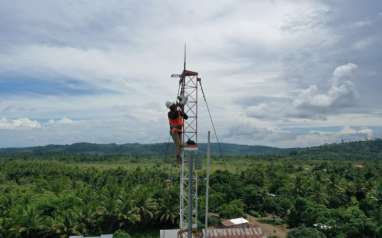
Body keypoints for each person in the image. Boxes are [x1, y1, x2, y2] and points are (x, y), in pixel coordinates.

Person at [166, 99, 188, 164]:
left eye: (173, 105)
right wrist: (178, 106)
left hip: (179, 130)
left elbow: (186, 117)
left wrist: (181, 110)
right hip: (174, 131)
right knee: (179, 145)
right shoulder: (170, 113)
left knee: (179, 146)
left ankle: (180, 160)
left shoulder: (178, 111)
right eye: (172, 105)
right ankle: (188, 144)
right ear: (170, 107)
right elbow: (174, 115)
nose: (173, 106)